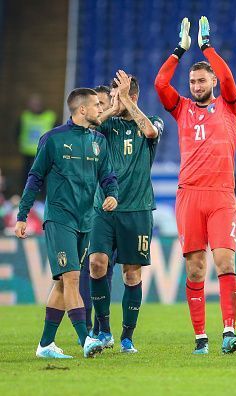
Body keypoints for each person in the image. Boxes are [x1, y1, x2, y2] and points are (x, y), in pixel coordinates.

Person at [154, 16, 236, 354]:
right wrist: (180, 50)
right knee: (195, 269)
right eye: (192, 81)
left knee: (225, 262)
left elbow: (228, 77)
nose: (195, 85)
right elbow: (161, 84)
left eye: (201, 80)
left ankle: (229, 332)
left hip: (222, 196)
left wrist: (207, 46)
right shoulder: (182, 109)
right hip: (189, 195)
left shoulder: (229, 106)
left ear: (212, 83)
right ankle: (201, 338)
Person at [14, 88, 118, 358]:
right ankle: (86, 340)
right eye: (96, 105)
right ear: (82, 110)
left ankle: (45, 344)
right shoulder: (53, 140)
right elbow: (34, 178)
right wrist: (22, 215)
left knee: (62, 283)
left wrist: (112, 195)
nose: (100, 109)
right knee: (71, 278)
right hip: (59, 218)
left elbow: (108, 176)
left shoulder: (98, 140)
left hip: (86, 220)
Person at [87, 72, 163, 353]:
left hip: (137, 209)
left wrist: (127, 101)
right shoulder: (107, 126)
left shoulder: (153, 121)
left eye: (122, 93)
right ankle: (103, 330)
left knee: (131, 275)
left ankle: (127, 337)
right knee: (97, 264)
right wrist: (112, 107)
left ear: (134, 96)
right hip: (103, 207)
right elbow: (89, 126)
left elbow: (150, 133)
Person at [77, 85, 116, 337]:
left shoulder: (109, 133)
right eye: (98, 105)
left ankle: (102, 327)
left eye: (105, 104)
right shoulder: (84, 134)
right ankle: (88, 327)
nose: (101, 110)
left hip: (111, 208)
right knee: (86, 269)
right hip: (87, 208)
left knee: (106, 269)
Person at [17, 93, 58, 188]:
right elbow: (17, 131)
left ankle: (43, 199)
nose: (35, 105)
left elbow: (57, 134)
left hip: (44, 153)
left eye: (37, 103)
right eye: (32, 103)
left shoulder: (50, 116)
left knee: (44, 176)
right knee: (27, 176)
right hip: (27, 153)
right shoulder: (24, 116)